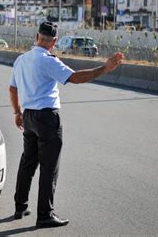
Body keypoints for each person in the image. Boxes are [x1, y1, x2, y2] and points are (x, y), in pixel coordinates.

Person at [9, 21, 124, 228]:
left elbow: (12, 88)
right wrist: (105, 68)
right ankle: (44, 215)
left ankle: (20, 206)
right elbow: (75, 78)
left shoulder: (21, 59)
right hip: (46, 117)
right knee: (49, 167)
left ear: (37, 37)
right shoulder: (48, 61)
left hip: (28, 117)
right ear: (54, 41)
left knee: (28, 162)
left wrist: (17, 112)